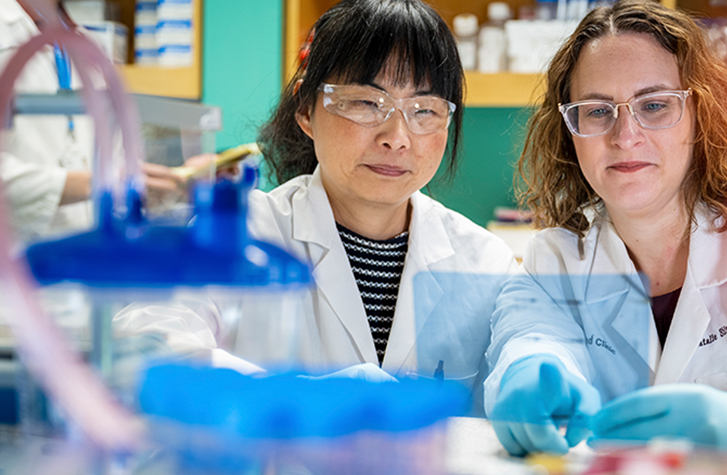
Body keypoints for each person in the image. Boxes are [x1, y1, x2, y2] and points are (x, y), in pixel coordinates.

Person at [114, 0, 518, 413]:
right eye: (367, 103)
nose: (397, 138)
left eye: (425, 110)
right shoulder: (243, 232)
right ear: (306, 109)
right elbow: (146, 344)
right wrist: (297, 398)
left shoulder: (487, 263)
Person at [484, 0, 727, 458]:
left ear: (700, 113)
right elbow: (529, 337)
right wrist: (527, 371)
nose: (625, 136)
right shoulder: (555, 261)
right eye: (597, 111)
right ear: (570, 129)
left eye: (654, 105)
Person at [0, 0, 189, 245]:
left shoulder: (88, 44)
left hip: (83, 253)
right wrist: (95, 183)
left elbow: (116, 163)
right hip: (16, 255)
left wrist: (179, 181)